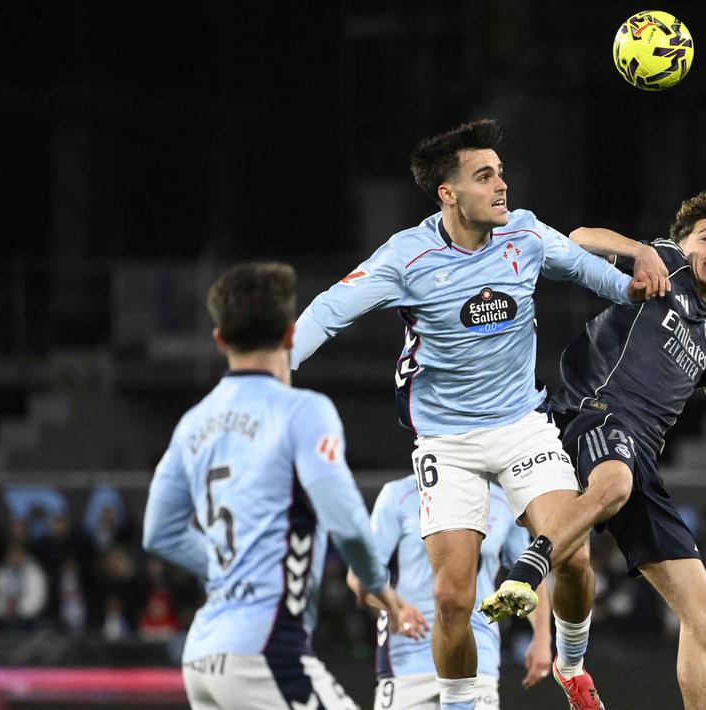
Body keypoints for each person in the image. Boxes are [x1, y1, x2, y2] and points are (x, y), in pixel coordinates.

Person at [292, 118, 667, 710]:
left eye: (501, 173)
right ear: (449, 193)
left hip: (522, 424)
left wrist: (633, 285)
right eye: (484, 176)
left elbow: (592, 271)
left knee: (572, 556)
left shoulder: (525, 235)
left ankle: (573, 665)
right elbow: (328, 310)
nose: (501, 186)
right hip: (447, 442)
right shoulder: (405, 258)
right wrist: (271, 365)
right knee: (452, 599)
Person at [482, 190, 706, 710]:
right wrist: (639, 250)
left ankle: (570, 657)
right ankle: (528, 570)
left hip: (640, 456)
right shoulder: (665, 264)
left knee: (705, 616)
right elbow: (578, 241)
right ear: (682, 243)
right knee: (610, 488)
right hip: (591, 414)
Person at [142, 262, 418, 710]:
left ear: (219, 340)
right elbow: (346, 519)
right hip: (264, 649)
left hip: (203, 655)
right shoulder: (303, 412)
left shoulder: (192, 424)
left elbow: (160, 532)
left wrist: (229, 574)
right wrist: (379, 587)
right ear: (291, 335)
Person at [349, 475, 551, 709]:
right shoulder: (399, 496)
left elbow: (530, 577)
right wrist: (396, 608)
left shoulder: (502, 503)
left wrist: (542, 638)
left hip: (477, 660)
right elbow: (358, 576)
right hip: (408, 661)